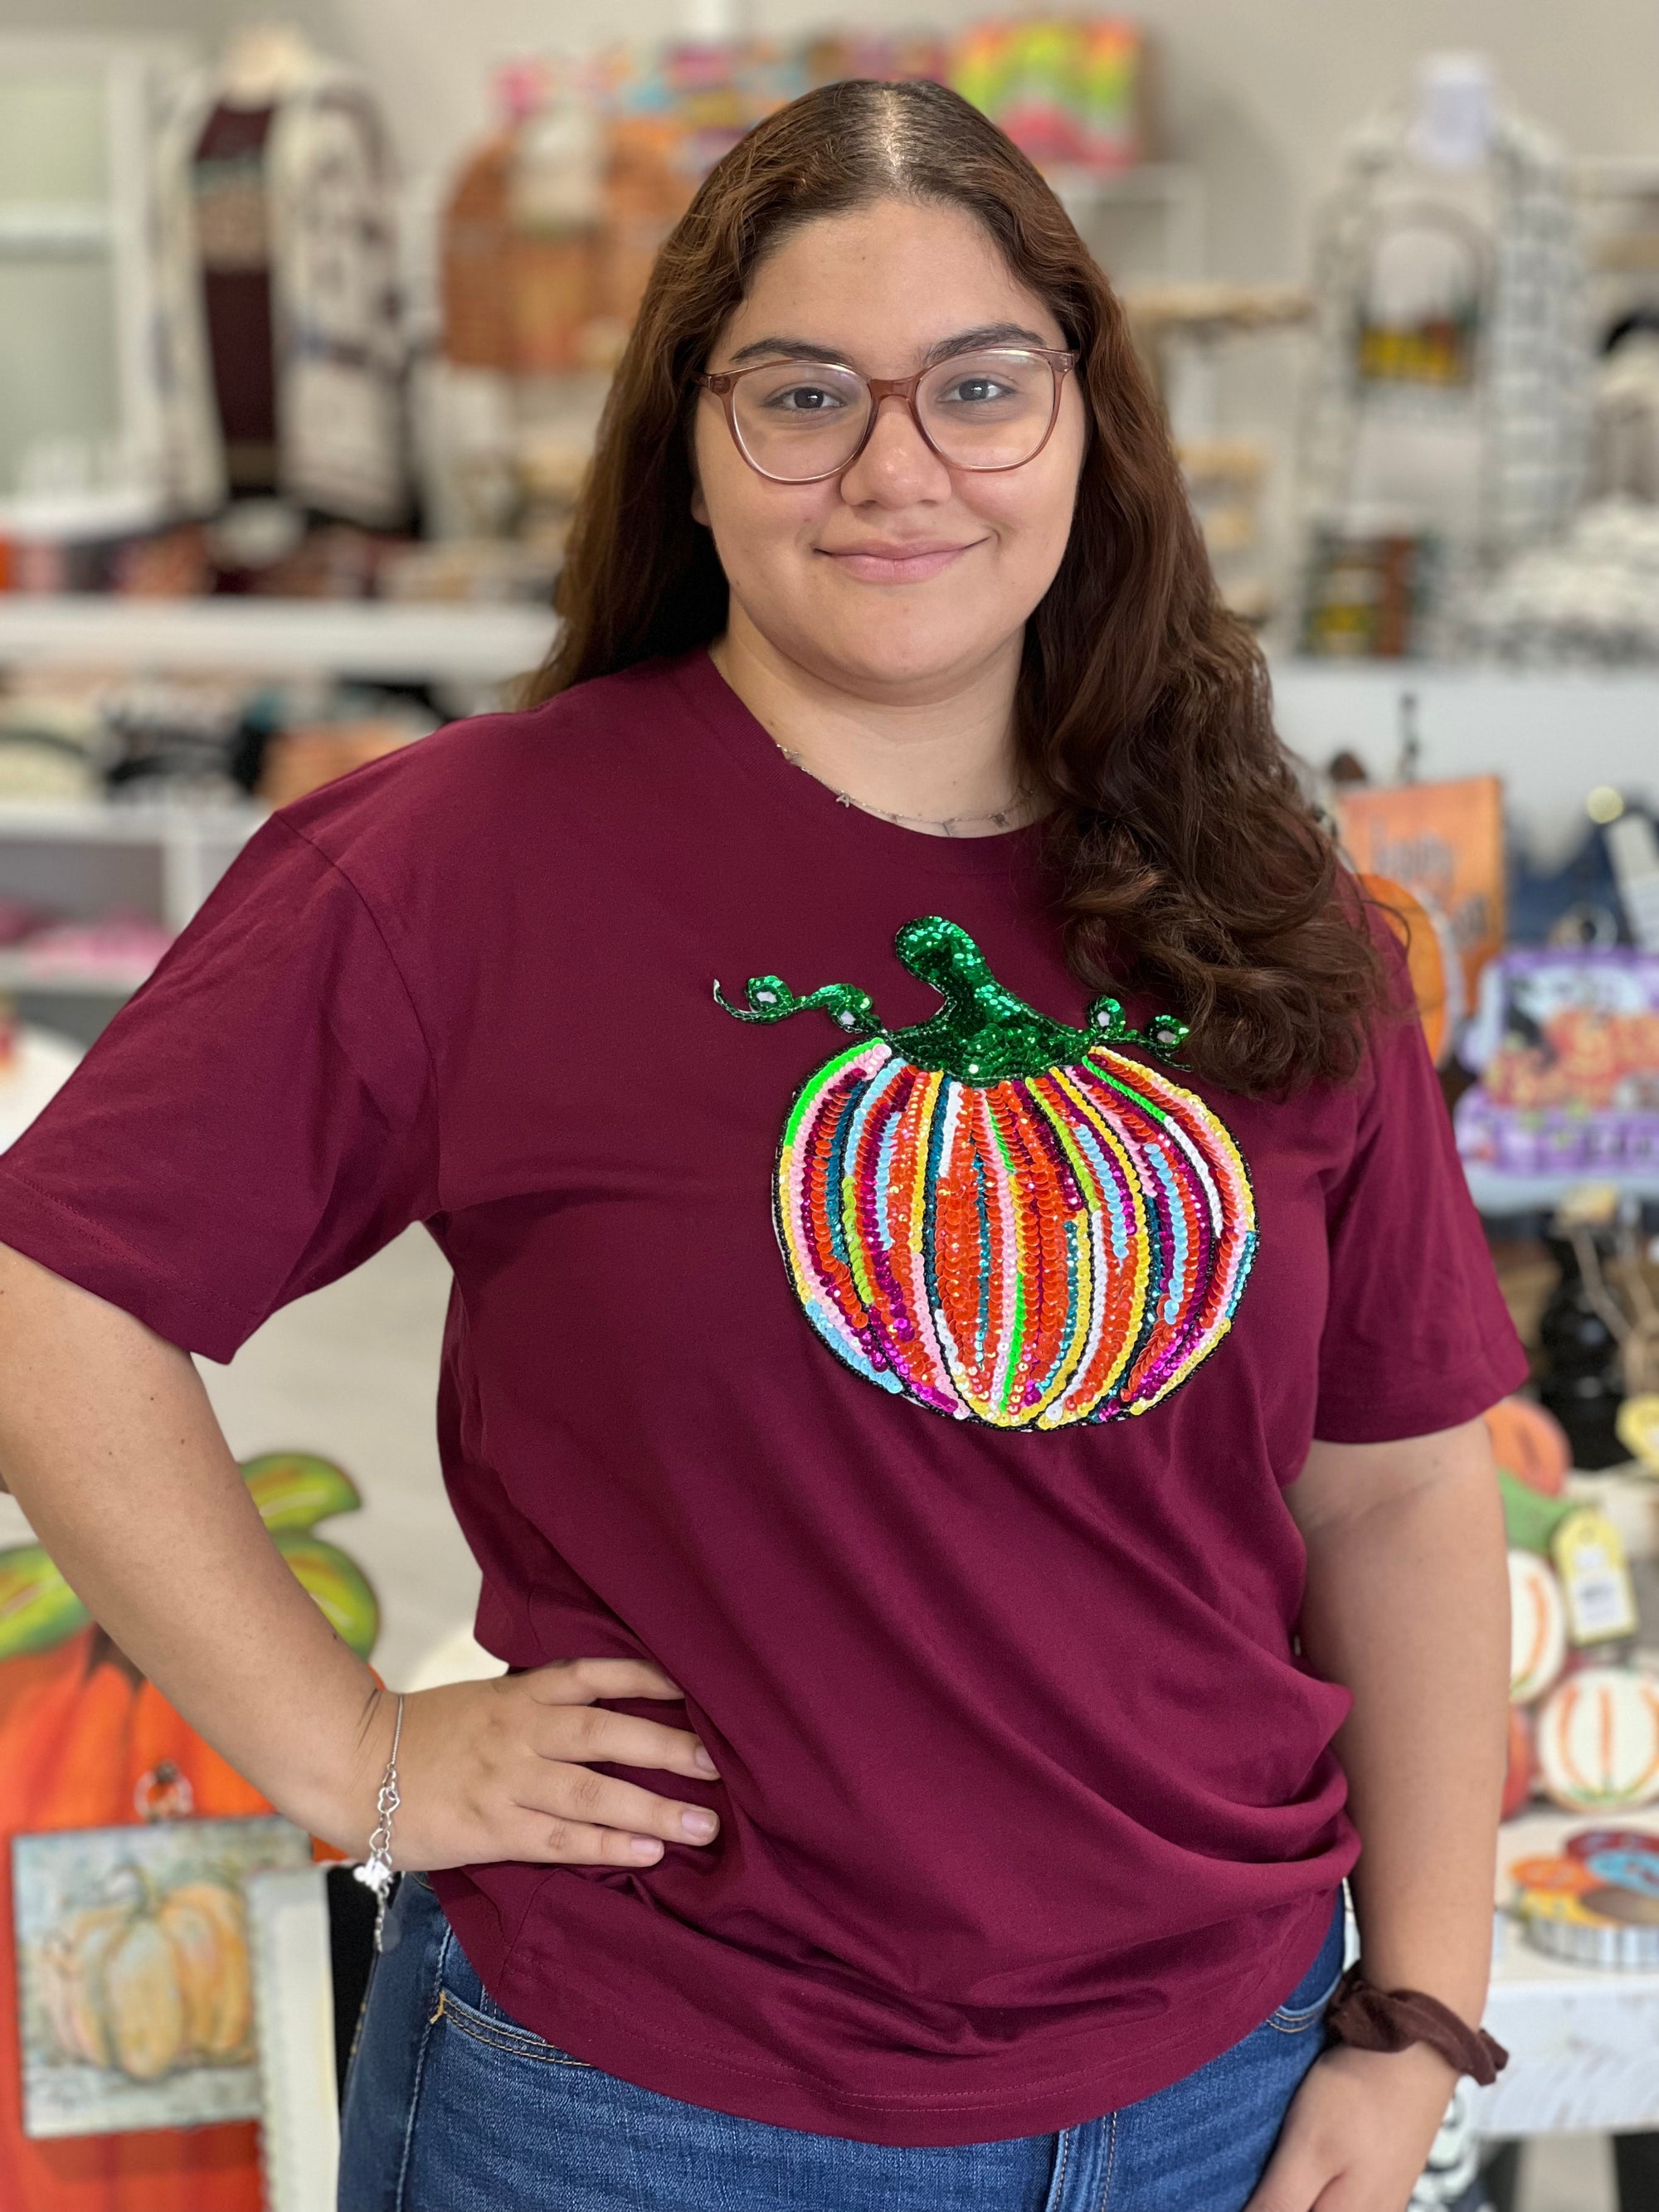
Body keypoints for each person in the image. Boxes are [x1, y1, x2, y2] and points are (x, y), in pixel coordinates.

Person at [0, 79, 1524, 2212]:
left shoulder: (1269, 906)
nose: (897, 467)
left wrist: (1417, 2014)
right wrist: (355, 1749)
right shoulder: (467, 858)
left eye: (979, 387)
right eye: (802, 393)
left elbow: (1392, 1483)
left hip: (1222, 2093)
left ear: (1085, 428)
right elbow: (50, 1290)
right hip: (642, 2111)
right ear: (692, 452)